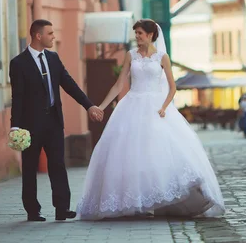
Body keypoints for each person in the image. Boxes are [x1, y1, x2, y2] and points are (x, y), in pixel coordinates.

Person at [76, 19, 225, 220]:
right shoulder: (131, 56)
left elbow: (172, 87)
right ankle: (134, 201)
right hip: (132, 105)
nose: (137, 37)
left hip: (156, 107)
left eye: (140, 33)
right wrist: (100, 107)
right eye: (135, 33)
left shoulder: (162, 57)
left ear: (150, 35)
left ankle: (163, 199)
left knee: (158, 151)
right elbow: (119, 85)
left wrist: (164, 107)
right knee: (129, 153)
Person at [9, 19, 104, 222]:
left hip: (53, 121)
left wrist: (89, 105)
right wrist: (15, 126)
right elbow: (17, 97)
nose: (54, 36)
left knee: (58, 165)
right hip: (30, 125)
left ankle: (62, 208)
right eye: (50, 33)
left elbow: (69, 84)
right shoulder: (19, 63)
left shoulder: (53, 58)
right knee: (29, 167)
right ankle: (33, 211)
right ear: (38, 35)